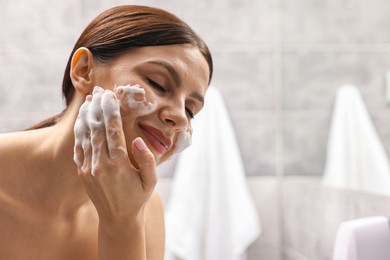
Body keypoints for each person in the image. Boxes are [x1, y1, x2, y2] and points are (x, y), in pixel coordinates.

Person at [0, 5, 212, 260]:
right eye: (157, 83)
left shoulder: (146, 210)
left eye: (190, 110)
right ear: (83, 71)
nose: (179, 117)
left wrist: (123, 222)